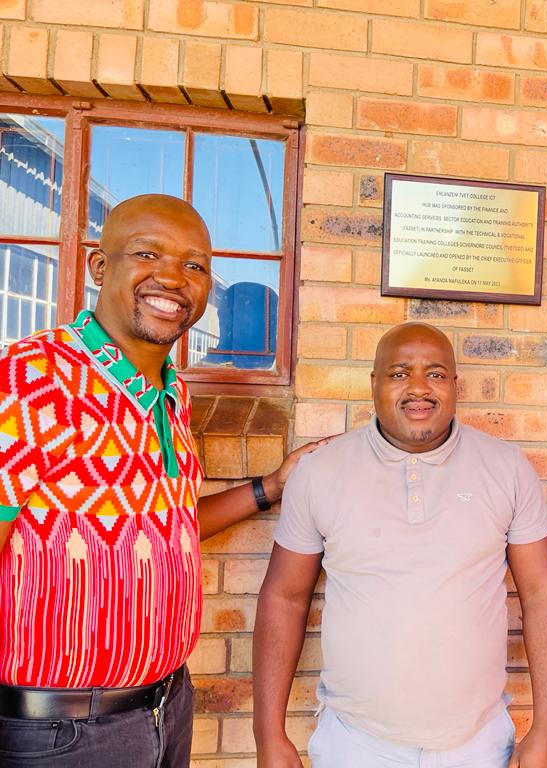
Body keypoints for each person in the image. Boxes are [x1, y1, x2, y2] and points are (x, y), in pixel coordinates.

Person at [0, 194, 322, 768]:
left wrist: (270, 486)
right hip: (59, 732)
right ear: (100, 267)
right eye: (148, 254)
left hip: (165, 709)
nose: (172, 278)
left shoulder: (171, 395)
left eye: (194, 264)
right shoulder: (34, 375)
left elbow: (168, 524)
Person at [252, 321, 547, 768]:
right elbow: (284, 598)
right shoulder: (320, 471)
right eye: (400, 373)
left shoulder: (507, 467)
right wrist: (268, 735)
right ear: (374, 384)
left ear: (455, 385)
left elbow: (541, 594)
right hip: (356, 743)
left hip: (476, 741)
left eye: (435, 373)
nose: (419, 387)